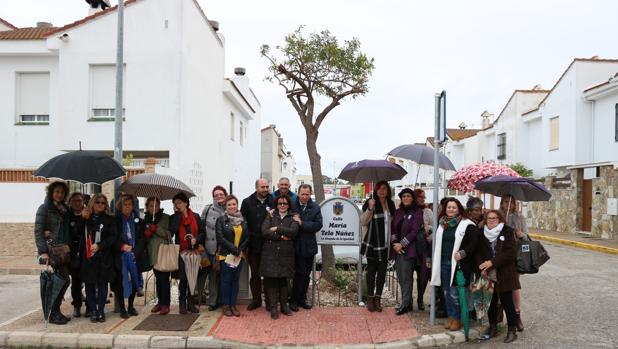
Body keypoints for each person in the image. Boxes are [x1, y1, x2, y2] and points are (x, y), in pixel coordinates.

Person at [429, 197, 479, 331]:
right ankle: (451, 317)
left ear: (459, 209)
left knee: (455, 293)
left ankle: (458, 319)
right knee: (446, 292)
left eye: (454, 207)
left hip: (459, 264)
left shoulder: (467, 224)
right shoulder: (442, 224)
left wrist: (463, 253)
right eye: (448, 207)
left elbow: (474, 243)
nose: (451, 209)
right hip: (444, 262)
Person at [477, 209, 519, 343]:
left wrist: (492, 262)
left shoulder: (507, 231)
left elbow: (510, 253)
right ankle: (493, 327)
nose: (492, 220)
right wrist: (481, 267)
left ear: (500, 219)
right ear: (485, 219)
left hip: (505, 272)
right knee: (491, 302)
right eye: (489, 218)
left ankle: (512, 330)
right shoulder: (481, 232)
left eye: (495, 218)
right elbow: (477, 253)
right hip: (488, 273)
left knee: (507, 302)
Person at [34, 181, 72, 325]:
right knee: (63, 280)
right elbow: (38, 231)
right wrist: (43, 252)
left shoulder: (64, 209)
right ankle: (53, 313)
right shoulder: (44, 209)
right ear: (51, 192)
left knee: (62, 280)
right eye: (56, 191)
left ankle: (55, 311)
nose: (59, 194)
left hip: (62, 250)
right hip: (51, 251)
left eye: (62, 192)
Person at [79, 193, 117, 323]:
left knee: (102, 284)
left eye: (103, 203)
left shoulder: (110, 219)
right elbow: (77, 233)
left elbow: (113, 237)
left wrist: (100, 245)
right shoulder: (85, 218)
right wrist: (82, 218)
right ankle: (93, 311)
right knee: (89, 284)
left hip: (103, 257)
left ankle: (101, 311)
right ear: (92, 203)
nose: (100, 204)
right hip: (88, 257)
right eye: (97, 202)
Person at [261, 194, 299, 319]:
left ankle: (284, 306)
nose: (282, 205)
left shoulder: (293, 217)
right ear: (276, 205)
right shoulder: (271, 215)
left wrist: (277, 228)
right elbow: (264, 231)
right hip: (270, 253)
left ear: (289, 205)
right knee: (271, 280)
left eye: (285, 203)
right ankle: (273, 308)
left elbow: (293, 232)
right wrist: (281, 237)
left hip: (286, 253)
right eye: (280, 203)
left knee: (283, 280)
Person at [360, 180, 395, 312]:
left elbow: (393, 223)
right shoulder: (370, 202)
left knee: (382, 273)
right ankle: (370, 298)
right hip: (372, 243)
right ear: (375, 190)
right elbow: (363, 221)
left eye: (384, 188)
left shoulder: (390, 204)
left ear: (388, 190)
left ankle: (378, 299)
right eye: (379, 188)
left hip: (386, 244)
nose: (382, 191)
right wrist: (370, 208)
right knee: (371, 272)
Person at [240, 178, 274, 311]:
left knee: (269, 275)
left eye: (267, 187)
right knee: (254, 274)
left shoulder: (273, 200)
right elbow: (242, 222)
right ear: (256, 188)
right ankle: (256, 300)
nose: (266, 189)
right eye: (263, 187)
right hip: (253, 245)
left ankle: (270, 301)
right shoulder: (247, 202)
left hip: (269, 245)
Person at [170, 192, 205, 314]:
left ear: (185, 203)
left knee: (193, 278)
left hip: (194, 252)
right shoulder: (175, 217)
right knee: (183, 279)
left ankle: (191, 303)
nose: (177, 205)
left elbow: (202, 232)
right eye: (175, 204)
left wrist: (197, 239)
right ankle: (182, 304)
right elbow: (173, 230)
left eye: (179, 202)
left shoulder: (195, 216)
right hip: (181, 253)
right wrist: (178, 215)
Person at [113, 194, 148, 318]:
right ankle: (122, 308)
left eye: (130, 205)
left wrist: (134, 252)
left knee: (134, 279)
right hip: (120, 256)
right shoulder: (115, 220)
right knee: (119, 282)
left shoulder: (138, 221)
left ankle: (131, 306)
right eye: (125, 205)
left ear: (133, 206)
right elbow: (113, 238)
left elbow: (142, 240)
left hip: (134, 256)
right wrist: (122, 247)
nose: (127, 207)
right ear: (120, 206)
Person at [290, 184, 323, 311]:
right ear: (298, 193)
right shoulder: (292, 205)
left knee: (306, 274)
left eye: (307, 194)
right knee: (298, 274)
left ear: (310, 194)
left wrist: (302, 223)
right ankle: (293, 300)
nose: (304, 197)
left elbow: (318, 225)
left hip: (308, 247)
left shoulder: (315, 207)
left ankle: (302, 299)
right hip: (294, 246)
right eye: (302, 194)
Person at [391, 188, 424, 315]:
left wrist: (402, 244)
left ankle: (405, 304)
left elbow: (414, 231)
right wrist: (395, 244)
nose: (406, 198)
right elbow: (393, 229)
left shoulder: (417, 212)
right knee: (400, 276)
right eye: (403, 196)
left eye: (408, 196)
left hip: (409, 249)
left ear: (412, 198)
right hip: (397, 249)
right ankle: (408, 302)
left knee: (406, 278)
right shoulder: (398, 212)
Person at [216, 195, 249, 317]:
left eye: (234, 204)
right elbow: (220, 238)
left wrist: (240, 250)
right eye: (229, 204)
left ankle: (233, 305)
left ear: (237, 205)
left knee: (235, 280)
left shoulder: (243, 219)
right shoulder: (221, 220)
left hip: (239, 256)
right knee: (226, 281)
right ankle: (226, 305)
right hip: (226, 256)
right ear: (225, 206)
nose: (232, 206)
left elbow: (247, 237)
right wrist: (235, 250)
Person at [500, 194, 527, 332]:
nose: (509, 204)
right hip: (500, 255)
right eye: (505, 202)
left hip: (515, 255)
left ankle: (517, 316)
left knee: (515, 286)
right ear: (502, 203)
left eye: (511, 202)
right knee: (500, 286)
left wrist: (521, 234)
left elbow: (527, 236)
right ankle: (500, 315)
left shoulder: (520, 218)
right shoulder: (497, 216)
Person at [198, 185, 228, 311]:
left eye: (221, 194)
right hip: (209, 247)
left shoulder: (230, 208)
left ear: (225, 195)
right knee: (212, 276)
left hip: (224, 248)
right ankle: (212, 302)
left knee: (224, 276)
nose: (219, 196)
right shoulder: (208, 208)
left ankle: (224, 301)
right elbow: (201, 226)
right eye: (216, 195)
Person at [144, 196, 172, 315]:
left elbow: (169, 234)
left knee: (164, 279)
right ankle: (160, 302)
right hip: (152, 253)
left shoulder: (166, 218)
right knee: (158, 279)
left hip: (163, 252)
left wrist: (156, 229)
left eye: (156, 205)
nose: (154, 208)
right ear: (147, 207)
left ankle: (166, 304)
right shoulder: (146, 218)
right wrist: (147, 233)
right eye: (151, 206)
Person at [67, 192, 90, 318]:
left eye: (80, 200)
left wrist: (85, 217)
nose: (77, 203)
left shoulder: (88, 214)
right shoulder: (67, 216)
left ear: (83, 202)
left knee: (89, 281)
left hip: (86, 252)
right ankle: (76, 305)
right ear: (70, 202)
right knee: (75, 282)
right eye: (74, 200)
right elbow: (74, 232)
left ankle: (89, 306)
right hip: (73, 254)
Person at [414, 189, 432, 312]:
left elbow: (434, 227)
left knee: (423, 275)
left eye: (423, 197)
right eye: (420, 196)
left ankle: (420, 297)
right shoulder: (410, 210)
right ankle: (407, 299)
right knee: (407, 275)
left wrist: (427, 230)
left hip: (424, 247)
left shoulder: (428, 211)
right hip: (411, 247)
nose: (422, 199)